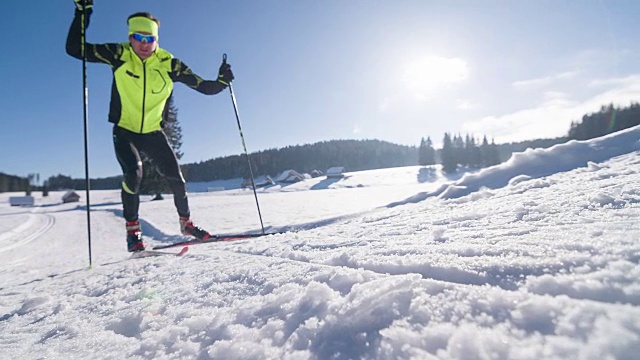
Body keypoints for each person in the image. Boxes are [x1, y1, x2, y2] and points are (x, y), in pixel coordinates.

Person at [66, 0, 234, 252]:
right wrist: (82, 13)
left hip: (153, 132)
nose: (144, 44)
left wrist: (222, 81)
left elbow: (205, 87)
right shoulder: (119, 54)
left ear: (156, 39)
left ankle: (186, 223)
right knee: (133, 173)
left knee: (176, 178)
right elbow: (75, 49)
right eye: (138, 37)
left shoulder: (169, 64)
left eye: (149, 38)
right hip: (124, 130)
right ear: (130, 37)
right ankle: (133, 232)